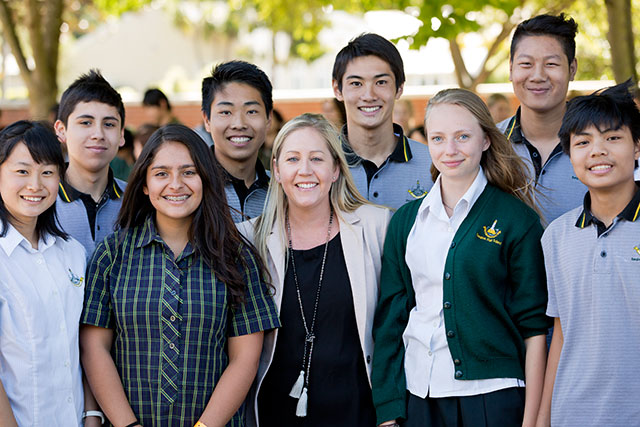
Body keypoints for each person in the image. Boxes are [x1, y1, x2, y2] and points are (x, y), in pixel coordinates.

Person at [79, 124, 280, 426]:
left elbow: (245, 359)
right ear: (144, 184)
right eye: (161, 173)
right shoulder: (112, 254)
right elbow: (95, 348)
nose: (176, 184)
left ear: (206, 179)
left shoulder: (237, 257)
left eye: (189, 172)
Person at [372, 89, 550, 427]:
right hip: (417, 395)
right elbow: (391, 321)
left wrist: (532, 420)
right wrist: (388, 410)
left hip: (492, 397)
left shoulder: (516, 220)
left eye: (462, 136)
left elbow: (534, 329)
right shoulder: (406, 221)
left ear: (485, 140)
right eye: (438, 138)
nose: (449, 150)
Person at [239, 113, 391, 426]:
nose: (304, 170)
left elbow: (395, 329)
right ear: (277, 171)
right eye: (293, 159)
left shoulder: (377, 227)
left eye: (317, 158)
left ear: (336, 169)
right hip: (275, 414)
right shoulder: (248, 239)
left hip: (357, 412)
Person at [537, 82, 640, 426]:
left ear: (637, 146)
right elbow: (562, 332)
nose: (597, 151)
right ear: (569, 155)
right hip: (573, 413)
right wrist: (543, 419)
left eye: (612, 138)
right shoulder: (556, 236)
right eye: (583, 142)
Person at [0, 121, 101, 426]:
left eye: (47, 172)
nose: (35, 185)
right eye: (22, 171)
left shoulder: (72, 253)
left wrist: (93, 415)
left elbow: (84, 343)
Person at [498, 13, 587, 224]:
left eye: (551, 64)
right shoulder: (487, 144)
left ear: (572, 69)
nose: (537, 76)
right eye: (526, 64)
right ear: (511, 69)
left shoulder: (600, 148)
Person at [332, 33, 433, 210]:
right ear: (337, 89)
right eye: (356, 83)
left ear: (399, 88)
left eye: (381, 82)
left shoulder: (434, 164)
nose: (369, 96)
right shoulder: (320, 164)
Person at [54, 69, 127, 257]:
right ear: (61, 130)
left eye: (109, 124)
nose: (98, 134)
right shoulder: (40, 200)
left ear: (121, 135)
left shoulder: (136, 201)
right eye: (86, 123)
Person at [201, 60, 273, 221]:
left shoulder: (283, 192)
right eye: (226, 112)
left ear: (269, 119)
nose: (239, 124)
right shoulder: (191, 188)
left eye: (252, 111)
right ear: (207, 120)